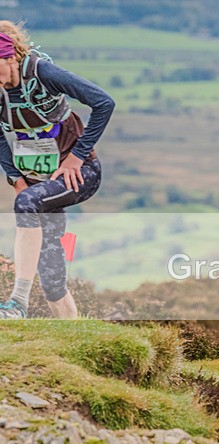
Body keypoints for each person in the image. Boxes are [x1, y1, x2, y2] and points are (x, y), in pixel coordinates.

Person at [0, 21, 114, 319]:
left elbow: (104, 102)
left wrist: (76, 157)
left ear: (10, 57)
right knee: (52, 279)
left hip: (80, 173)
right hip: (39, 183)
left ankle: (17, 303)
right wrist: (15, 178)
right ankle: (77, 336)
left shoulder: (43, 73)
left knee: (26, 205)